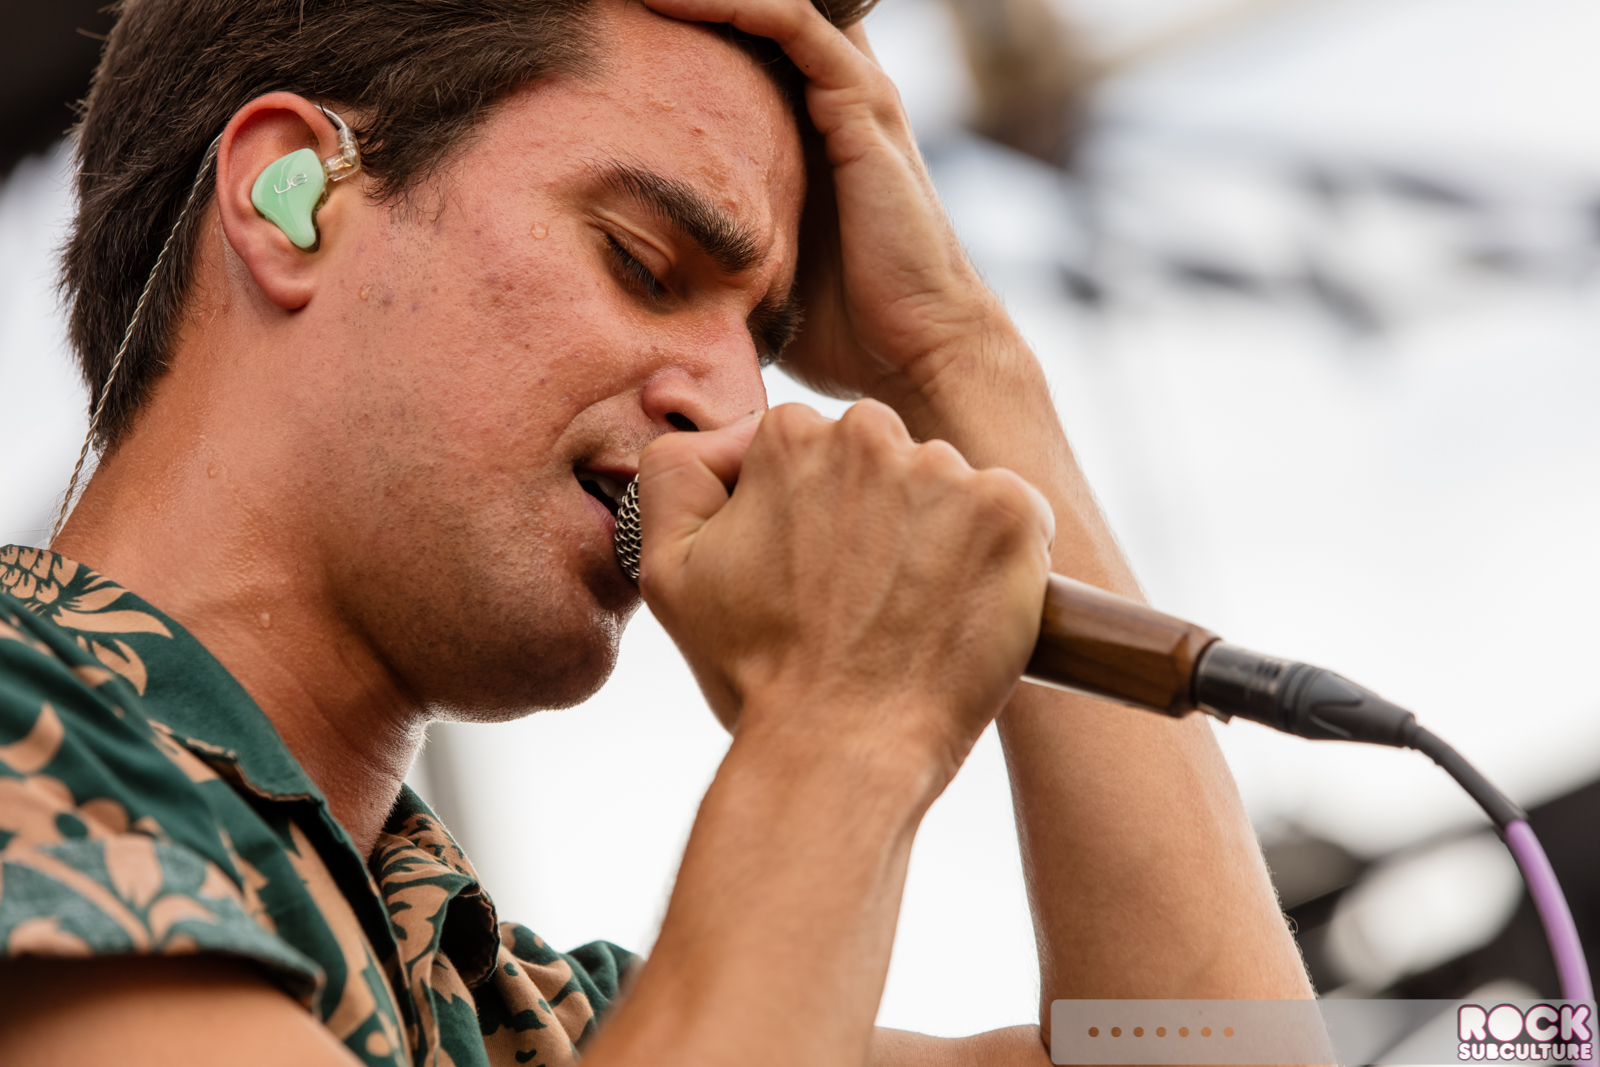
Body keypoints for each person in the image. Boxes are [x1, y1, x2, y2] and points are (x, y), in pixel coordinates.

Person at [0, 0, 1314, 1062]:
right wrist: (843, 723)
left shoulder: (506, 1014)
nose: (737, 411)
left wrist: (958, 358)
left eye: (767, 346)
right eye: (640, 261)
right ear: (295, 195)